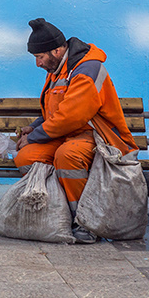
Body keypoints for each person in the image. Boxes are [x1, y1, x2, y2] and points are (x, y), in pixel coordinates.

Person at [14, 18, 138, 244]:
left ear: (57, 50)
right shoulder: (58, 69)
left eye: (39, 57)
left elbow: (71, 116)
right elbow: (56, 111)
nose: (37, 64)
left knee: (68, 156)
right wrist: (33, 127)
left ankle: (85, 222)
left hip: (97, 136)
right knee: (26, 157)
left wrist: (33, 136)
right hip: (66, 134)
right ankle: (55, 214)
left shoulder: (87, 69)